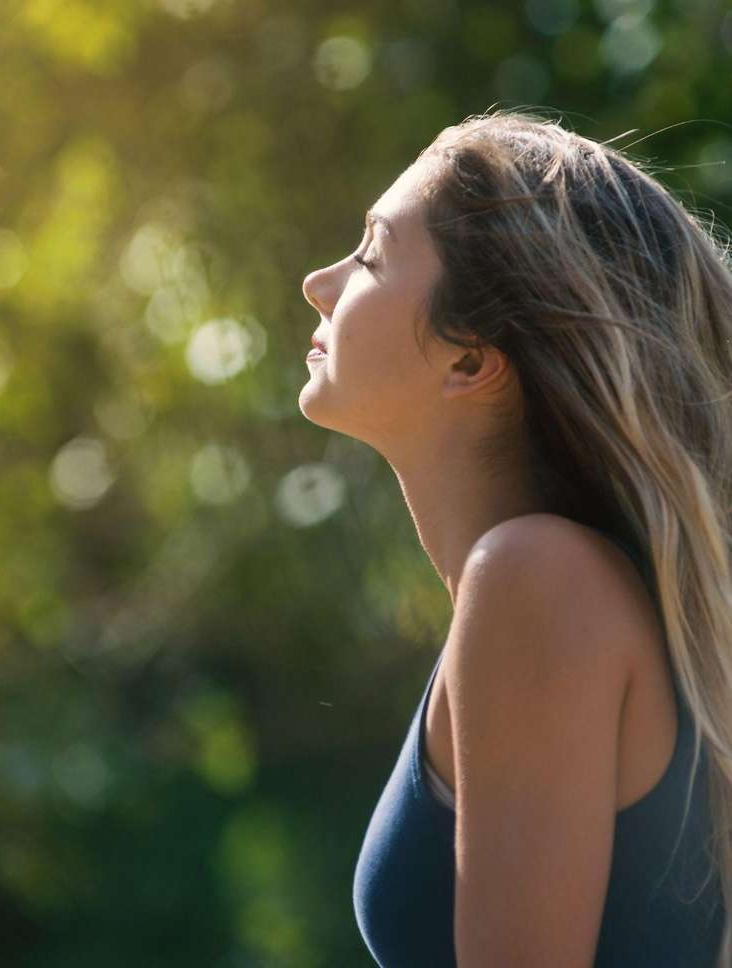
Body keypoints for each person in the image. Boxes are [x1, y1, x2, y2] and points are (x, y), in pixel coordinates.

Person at [298, 106, 731, 967]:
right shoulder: (555, 584)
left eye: (373, 255)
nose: (320, 281)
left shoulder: (538, 581)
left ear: (470, 360)